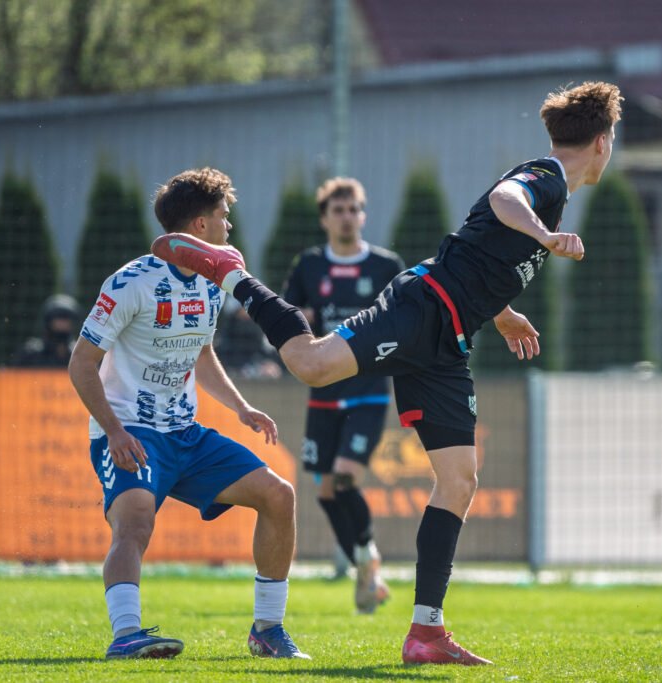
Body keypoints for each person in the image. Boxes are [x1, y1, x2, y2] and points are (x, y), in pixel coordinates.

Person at [153, 81, 622, 666]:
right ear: (602, 142)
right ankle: (232, 275)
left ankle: (426, 632)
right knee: (311, 364)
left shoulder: (550, 191)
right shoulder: (545, 179)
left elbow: (481, 249)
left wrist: (502, 313)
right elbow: (505, 199)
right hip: (422, 307)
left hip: (448, 341)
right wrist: (547, 236)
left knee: (460, 479)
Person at [68, 168, 309, 660]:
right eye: (224, 215)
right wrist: (113, 431)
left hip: (187, 435)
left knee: (279, 495)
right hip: (132, 431)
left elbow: (201, 354)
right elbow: (81, 364)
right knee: (135, 522)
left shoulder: (212, 283)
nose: (229, 226)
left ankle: (267, 630)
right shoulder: (130, 282)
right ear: (200, 224)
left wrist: (241, 408)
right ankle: (127, 635)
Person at [281, 177, 404, 613]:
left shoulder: (386, 267)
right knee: (326, 491)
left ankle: (368, 556)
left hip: (368, 391)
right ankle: (365, 570)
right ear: (325, 219)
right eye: (338, 210)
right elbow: (289, 320)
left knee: (346, 477)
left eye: (354, 209)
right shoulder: (309, 266)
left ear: (363, 215)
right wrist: (301, 321)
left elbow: (404, 319)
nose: (347, 217)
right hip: (324, 392)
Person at [13, 294, 80, 367]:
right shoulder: (31, 353)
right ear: (48, 320)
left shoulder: (78, 354)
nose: (62, 323)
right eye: (58, 316)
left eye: (66, 318)